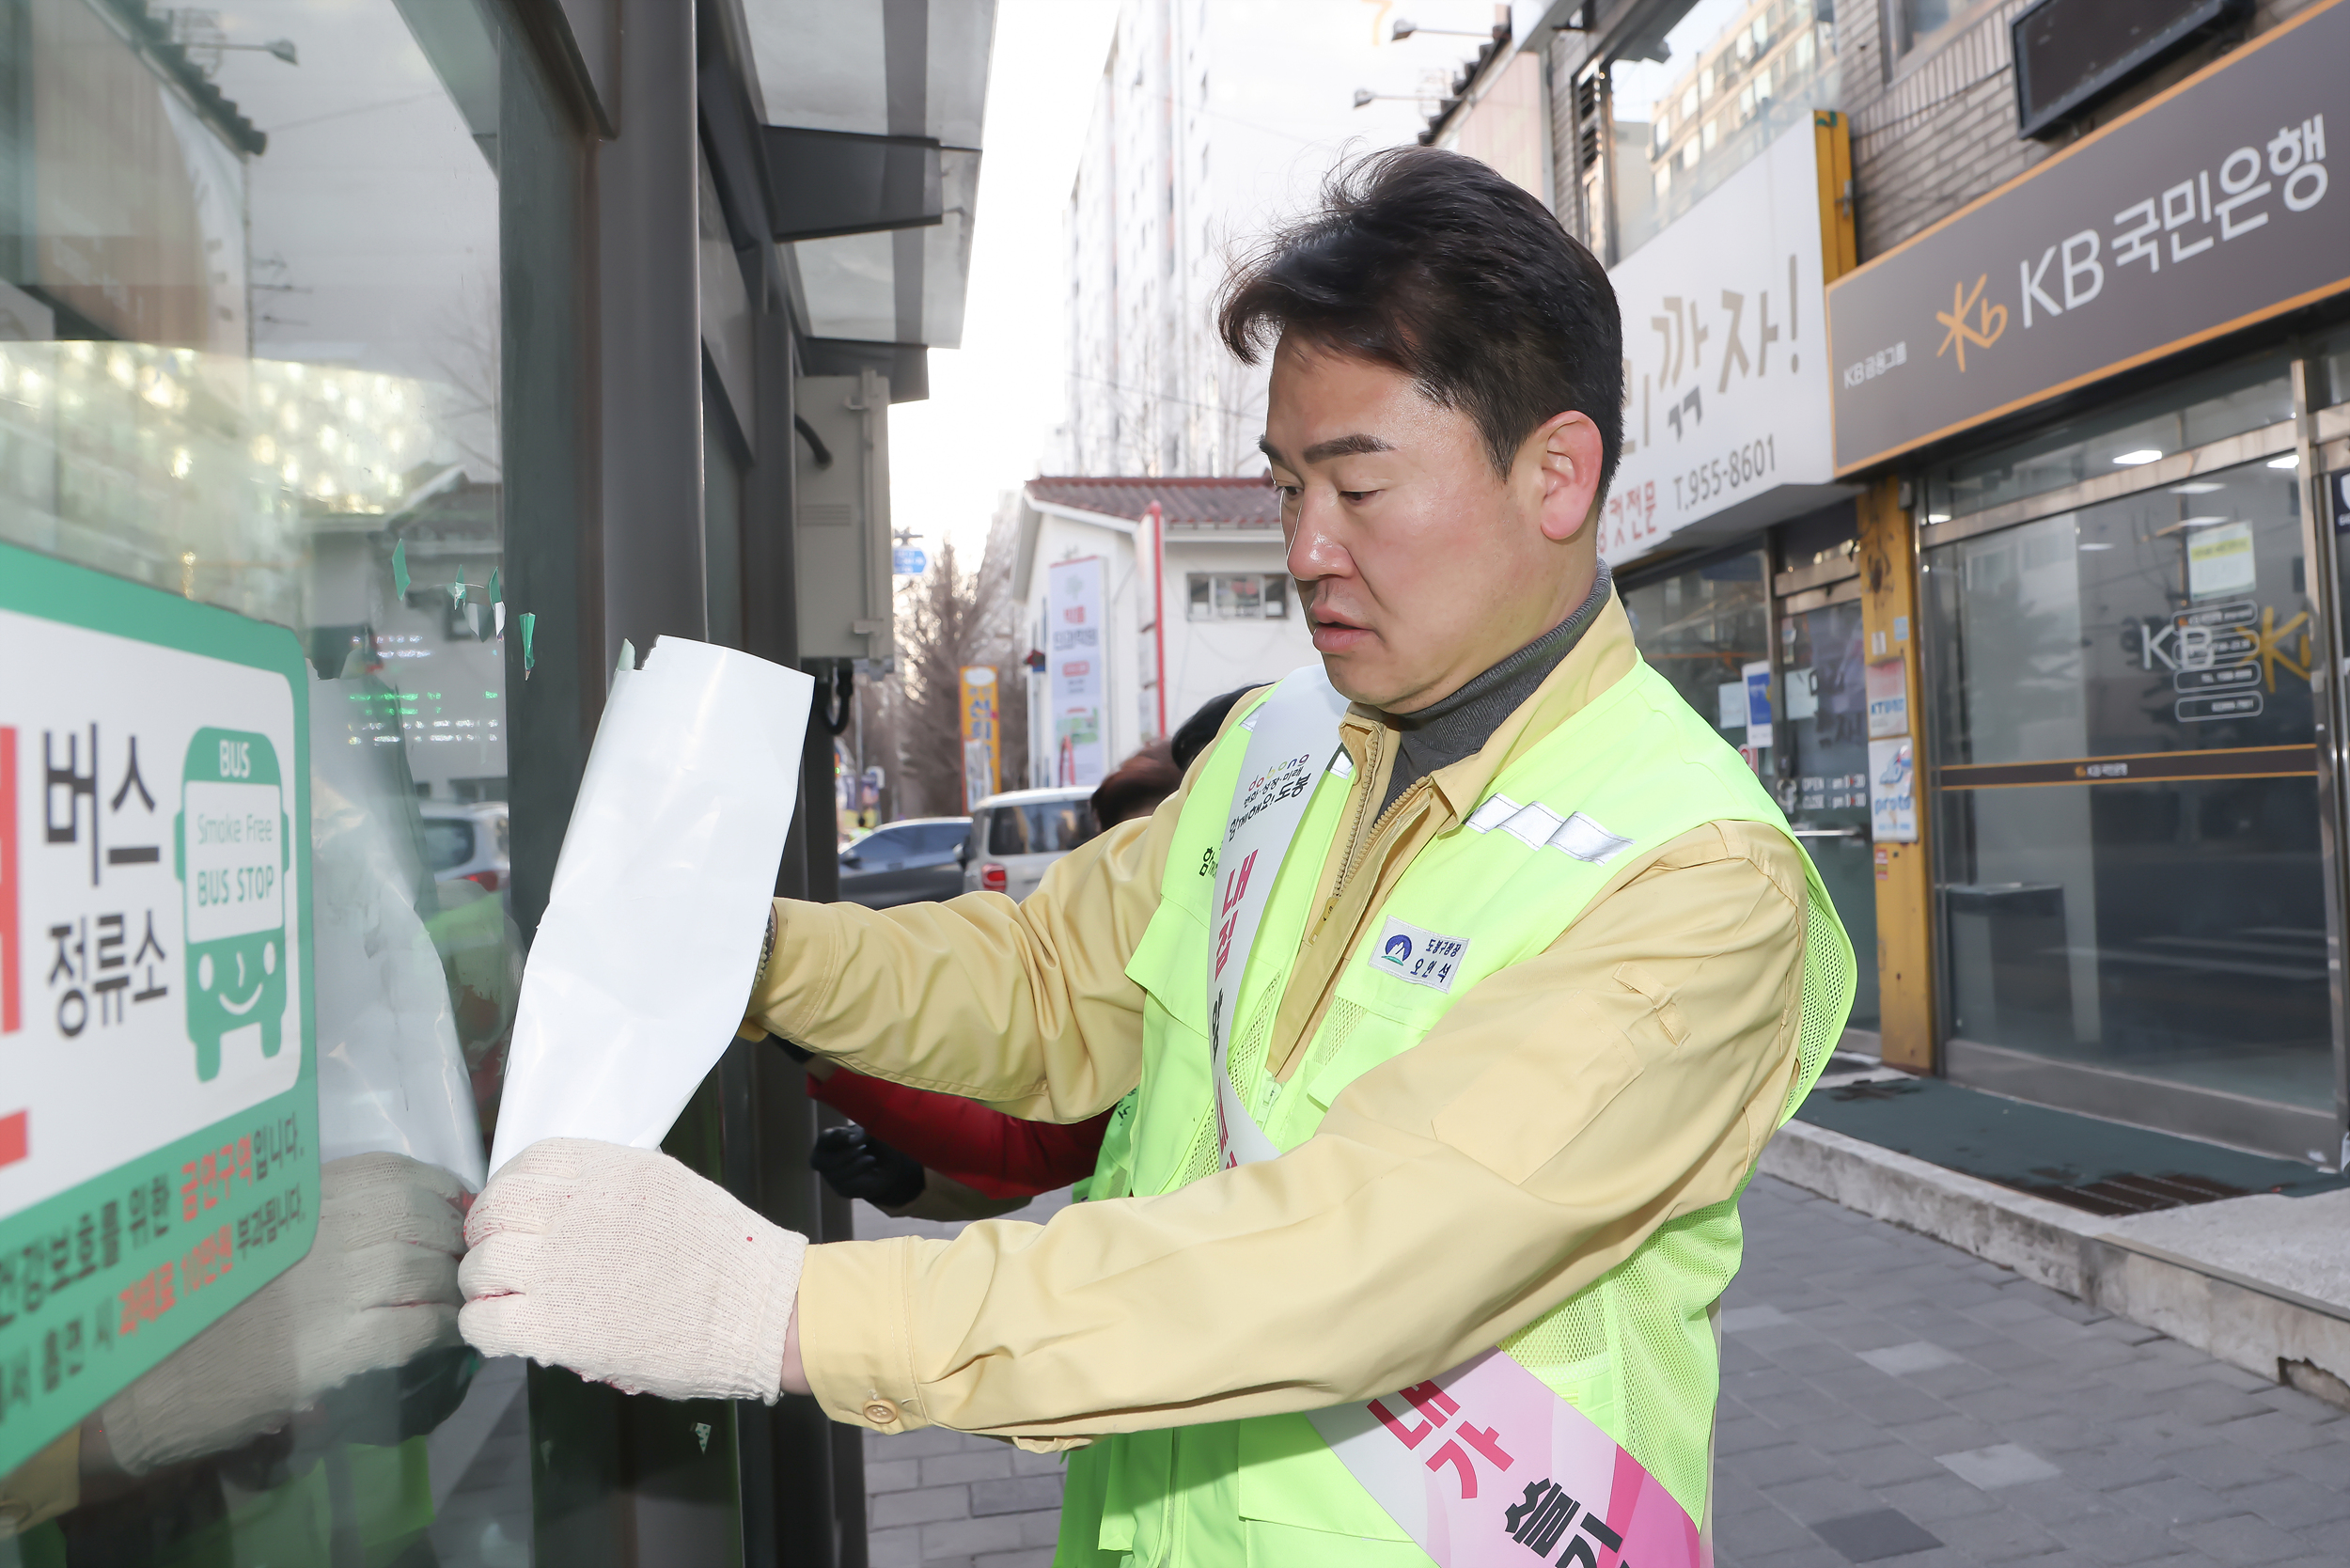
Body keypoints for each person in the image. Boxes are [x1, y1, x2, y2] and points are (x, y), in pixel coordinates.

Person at [459, 148, 1853, 1567]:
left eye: (1358, 489)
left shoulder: (1695, 878)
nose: (1305, 548)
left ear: (1557, 473)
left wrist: (779, 1313)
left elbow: (1347, 1257)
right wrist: (747, 952)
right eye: (1285, 485)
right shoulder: (1281, 747)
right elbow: (1051, 984)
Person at [802, 702, 1250, 1220]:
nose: (1141, 897)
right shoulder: (1131, 994)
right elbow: (1036, 1142)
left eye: (1168, 859)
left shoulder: (1269, 994)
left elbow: (1021, 1145)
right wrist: (909, 1178)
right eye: (1125, 862)